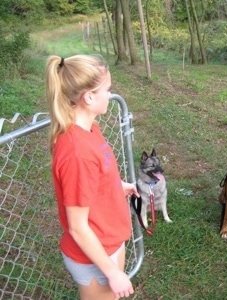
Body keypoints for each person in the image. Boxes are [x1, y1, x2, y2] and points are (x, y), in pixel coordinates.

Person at [45, 54, 139, 300]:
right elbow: (78, 227)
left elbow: (97, 176)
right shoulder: (77, 152)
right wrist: (113, 273)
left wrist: (116, 186)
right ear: (88, 97)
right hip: (95, 254)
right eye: (107, 89)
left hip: (109, 240)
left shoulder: (89, 129)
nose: (110, 95)